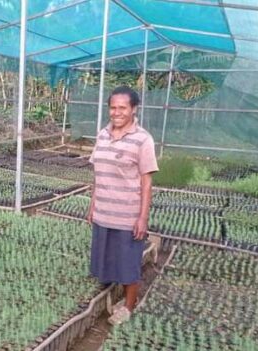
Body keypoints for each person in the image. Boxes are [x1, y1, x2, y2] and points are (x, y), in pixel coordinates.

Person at [86, 86, 158, 326]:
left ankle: (128, 305)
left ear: (133, 109)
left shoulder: (142, 139)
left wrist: (142, 218)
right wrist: (93, 204)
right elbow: (98, 173)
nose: (116, 112)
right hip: (104, 211)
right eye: (113, 107)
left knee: (128, 263)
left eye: (122, 108)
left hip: (127, 214)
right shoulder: (102, 134)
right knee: (105, 255)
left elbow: (147, 182)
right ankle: (109, 288)